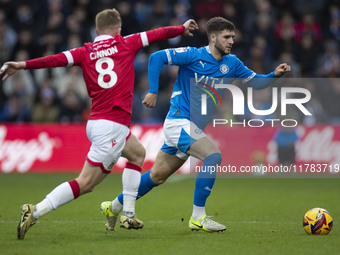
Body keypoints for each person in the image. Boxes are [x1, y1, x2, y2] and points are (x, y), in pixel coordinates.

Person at [0, 8, 198, 240]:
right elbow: (156, 34)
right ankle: (35, 210)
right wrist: (181, 29)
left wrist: (21, 65)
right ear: (118, 28)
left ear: (96, 30)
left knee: (137, 154)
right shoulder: (126, 42)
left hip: (98, 122)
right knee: (85, 184)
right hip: (112, 125)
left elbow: (53, 60)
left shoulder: (84, 51)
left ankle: (128, 213)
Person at [100, 17, 291, 232]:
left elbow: (256, 82)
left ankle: (113, 207)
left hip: (193, 128)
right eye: (226, 37)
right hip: (178, 121)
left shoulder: (233, 63)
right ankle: (198, 217)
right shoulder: (193, 55)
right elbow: (156, 57)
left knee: (157, 176)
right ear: (212, 37)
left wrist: (274, 75)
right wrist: (153, 90)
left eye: (233, 37)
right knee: (213, 155)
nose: (231, 41)